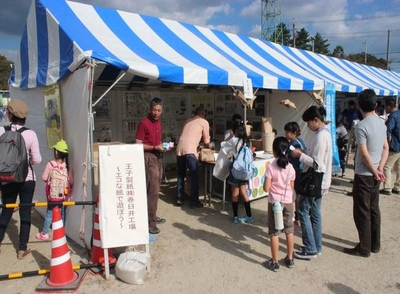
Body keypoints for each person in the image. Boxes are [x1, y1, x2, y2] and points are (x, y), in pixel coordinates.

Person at [343, 89, 388, 257]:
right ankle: (374, 244)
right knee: (374, 209)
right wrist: (380, 168)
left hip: (364, 174)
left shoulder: (361, 126)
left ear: (359, 106)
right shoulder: (381, 123)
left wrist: (374, 170)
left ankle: (364, 247)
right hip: (376, 173)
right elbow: (385, 148)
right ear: (375, 105)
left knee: (362, 212)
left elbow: (363, 153)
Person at [0, 99, 42, 259]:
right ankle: (22, 249)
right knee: (25, 212)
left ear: (10, 115)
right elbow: (37, 160)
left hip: (6, 177)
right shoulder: (30, 134)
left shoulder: (1, 131)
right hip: (27, 179)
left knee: (6, 211)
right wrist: (25, 162)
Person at [291, 106, 332, 259]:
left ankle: (310, 248)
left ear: (316, 120)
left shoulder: (320, 136)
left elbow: (316, 163)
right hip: (322, 180)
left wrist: (299, 155)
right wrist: (304, 153)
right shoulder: (325, 133)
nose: (307, 126)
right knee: (315, 213)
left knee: (302, 210)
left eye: (308, 123)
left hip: (315, 180)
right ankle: (316, 245)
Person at [263, 136, 296, 272]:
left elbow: (266, 188)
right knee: (289, 230)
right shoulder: (291, 168)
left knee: (274, 232)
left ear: (274, 151)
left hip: (274, 203)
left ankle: (275, 261)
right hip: (288, 201)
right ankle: (290, 258)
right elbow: (291, 186)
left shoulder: (271, 167)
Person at [135, 97, 167, 235]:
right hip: (148, 158)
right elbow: (138, 143)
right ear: (150, 109)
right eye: (154, 110)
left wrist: (162, 147)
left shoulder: (159, 122)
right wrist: (154, 147)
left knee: (155, 190)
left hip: (158, 157)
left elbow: (157, 141)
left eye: (159, 110)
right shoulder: (144, 123)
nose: (156, 112)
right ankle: (151, 223)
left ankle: (152, 216)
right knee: (152, 191)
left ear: (162, 110)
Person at [36, 140, 73, 241]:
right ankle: (61, 232)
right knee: (62, 214)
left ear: (56, 152)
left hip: (52, 197)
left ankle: (45, 233)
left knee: (49, 214)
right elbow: (71, 181)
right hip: (64, 196)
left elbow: (44, 177)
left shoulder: (50, 164)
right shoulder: (68, 166)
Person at [176, 106, 211, 208]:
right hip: (191, 151)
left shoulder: (188, 121)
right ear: (203, 114)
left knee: (181, 174)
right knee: (195, 176)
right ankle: (194, 201)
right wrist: (210, 146)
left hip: (180, 149)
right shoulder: (204, 122)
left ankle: (179, 198)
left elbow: (188, 136)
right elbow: (207, 141)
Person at [222, 120, 254, 223]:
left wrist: (230, 136)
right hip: (245, 170)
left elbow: (223, 145)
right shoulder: (247, 141)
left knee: (235, 193)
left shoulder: (234, 140)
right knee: (244, 192)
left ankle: (235, 216)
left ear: (235, 131)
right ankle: (249, 215)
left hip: (235, 170)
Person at [284, 121, 306, 226]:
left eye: (287, 132)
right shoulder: (300, 141)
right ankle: (297, 217)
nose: (285, 134)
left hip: (297, 172)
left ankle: (296, 217)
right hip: (299, 171)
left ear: (293, 133)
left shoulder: (295, 144)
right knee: (297, 194)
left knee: (295, 195)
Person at [380, 98, 400, 195]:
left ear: (388, 106)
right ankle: (398, 187)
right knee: (399, 167)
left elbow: (387, 131)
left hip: (395, 145)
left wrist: (386, 145)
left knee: (387, 166)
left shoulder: (392, 117)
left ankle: (387, 187)